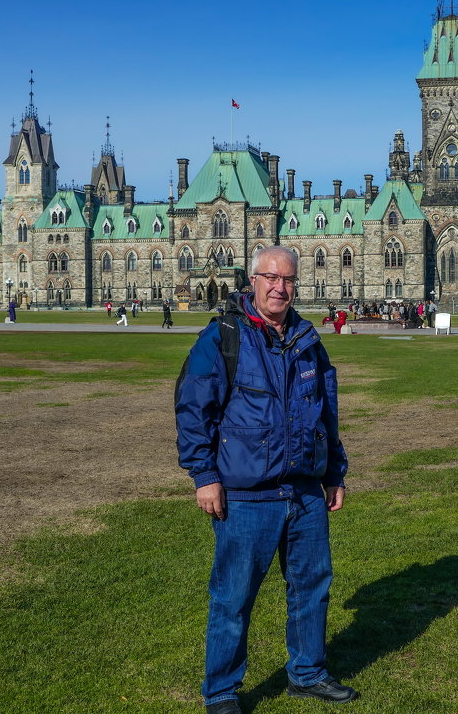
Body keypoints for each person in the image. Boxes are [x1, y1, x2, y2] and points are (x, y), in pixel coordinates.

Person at [175, 246, 355, 713]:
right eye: (271, 278)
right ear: (252, 280)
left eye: (288, 279)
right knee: (233, 596)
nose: (280, 287)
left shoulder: (307, 339)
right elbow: (194, 410)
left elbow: (326, 414)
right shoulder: (224, 337)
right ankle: (221, 692)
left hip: (303, 490)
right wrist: (204, 475)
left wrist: (334, 472)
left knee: (312, 586)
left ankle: (308, 672)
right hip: (246, 494)